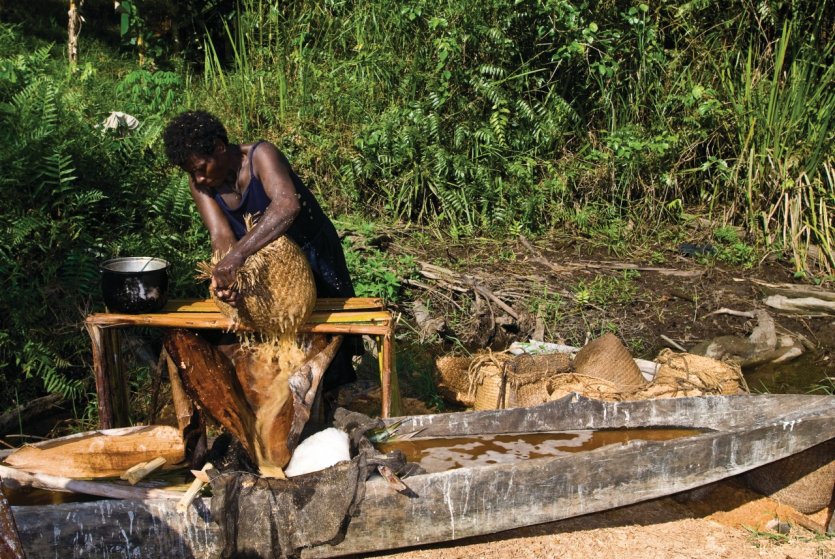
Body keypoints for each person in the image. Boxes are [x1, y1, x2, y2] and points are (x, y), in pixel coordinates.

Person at [162, 110, 358, 390]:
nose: (199, 179)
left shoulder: (261, 156)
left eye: (201, 168)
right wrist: (229, 277)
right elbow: (221, 235)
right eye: (191, 173)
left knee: (326, 348)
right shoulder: (200, 185)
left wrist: (237, 256)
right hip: (264, 268)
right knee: (267, 350)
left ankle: (332, 406)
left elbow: (286, 205)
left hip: (313, 256)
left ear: (219, 147)